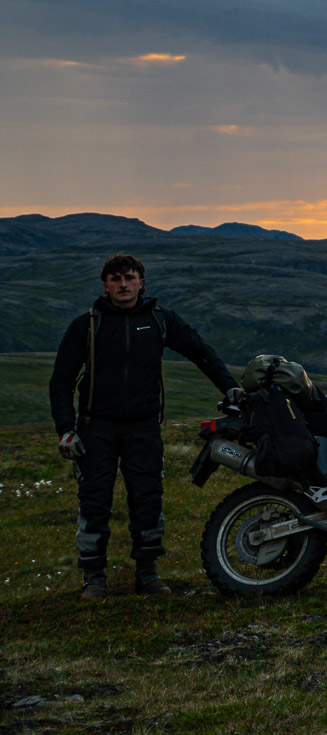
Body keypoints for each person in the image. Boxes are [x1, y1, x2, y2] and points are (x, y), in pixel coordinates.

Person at [49, 253, 239, 598]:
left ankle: (148, 574)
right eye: (116, 278)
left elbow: (201, 352)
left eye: (130, 278)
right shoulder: (86, 325)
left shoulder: (160, 320)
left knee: (147, 499)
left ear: (141, 282)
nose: (123, 284)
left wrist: (230, 389)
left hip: (144, 428)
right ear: (105, 284)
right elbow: (60, 380)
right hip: (95, 429)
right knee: (94, 502)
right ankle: (94, 577)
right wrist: (66, 429)